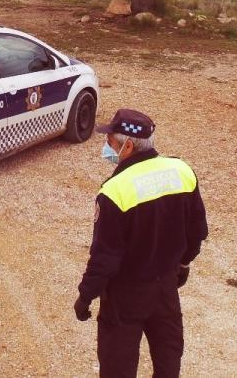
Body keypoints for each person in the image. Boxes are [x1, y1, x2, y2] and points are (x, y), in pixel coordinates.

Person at [73, 108, 208, 378]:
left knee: (117, 366)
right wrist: (182, 265)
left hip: (125, 296)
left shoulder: (114, 191)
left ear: (128, 146)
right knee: (168, 357)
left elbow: (105, 258)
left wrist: (86, 295)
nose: (107, 148)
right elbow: (197, 232)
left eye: (111, 142)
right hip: (166, 288)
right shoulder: (182, 171)